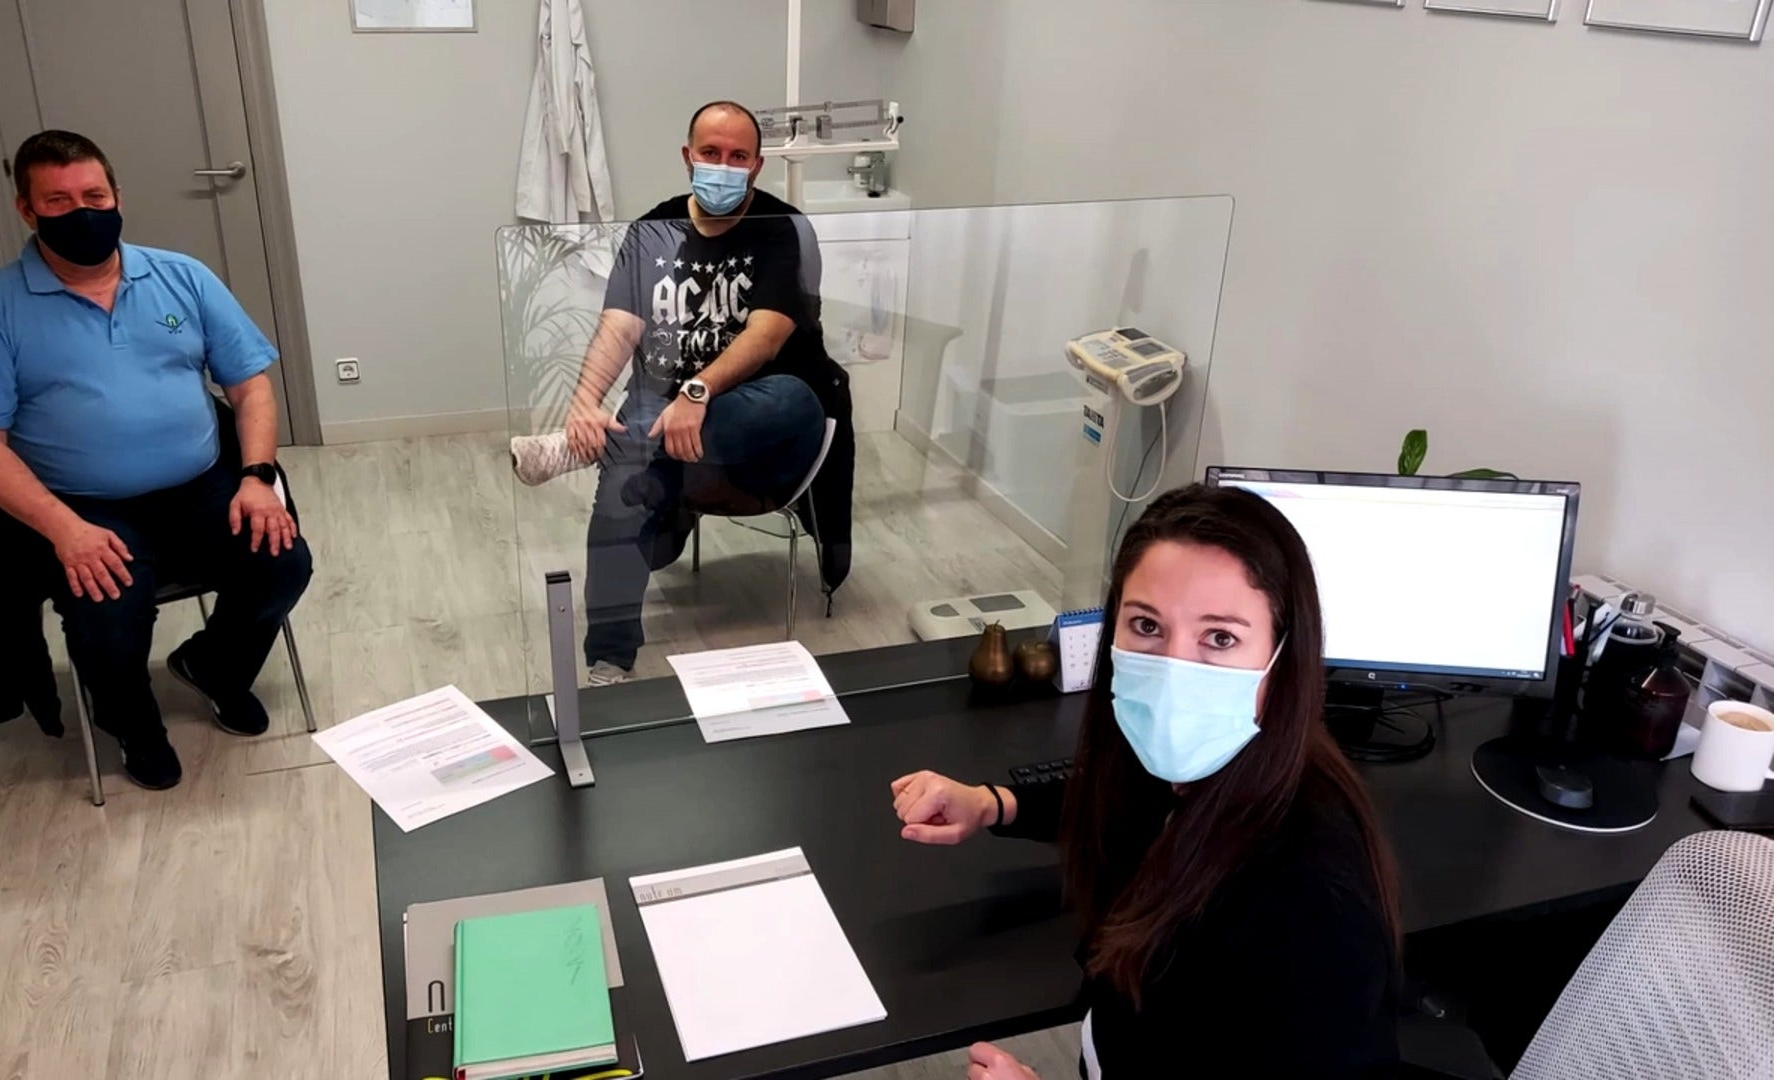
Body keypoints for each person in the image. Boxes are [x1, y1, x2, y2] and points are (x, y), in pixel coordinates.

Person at [890, 485, 1402, 1079]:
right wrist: (991, 804)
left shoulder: (1314, 902)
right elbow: (1120, 800)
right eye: (1146, 625)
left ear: (1282, 659)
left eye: (1220, 638)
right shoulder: (1200, 766)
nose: (1172, 670)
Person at [0, 130, 311, 791]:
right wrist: (63, 530)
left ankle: (214, 667)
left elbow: (250, 387)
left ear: (117, 197)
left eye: (94, 196)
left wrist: (257, 477)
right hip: (79, 506)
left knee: (283, 564)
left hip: (200, 486)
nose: (82, 212)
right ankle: (133, 724)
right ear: (26, 209)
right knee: (107, 614)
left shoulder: (181, 277)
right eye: (58, 201)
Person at [509, 100, 853, 686]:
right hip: (670, 420)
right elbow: (620, 325)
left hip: (768, 424)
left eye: (738, 156)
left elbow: (767, 335)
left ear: (757, 165)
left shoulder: (783, 229)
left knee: (780, 401)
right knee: (627, 473)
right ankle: (609, 660)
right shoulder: (653, 231)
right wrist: (584, 404)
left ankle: (606, 447)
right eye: (711, 153)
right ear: (688, 157)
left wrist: (697, 391)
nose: (724, 165)